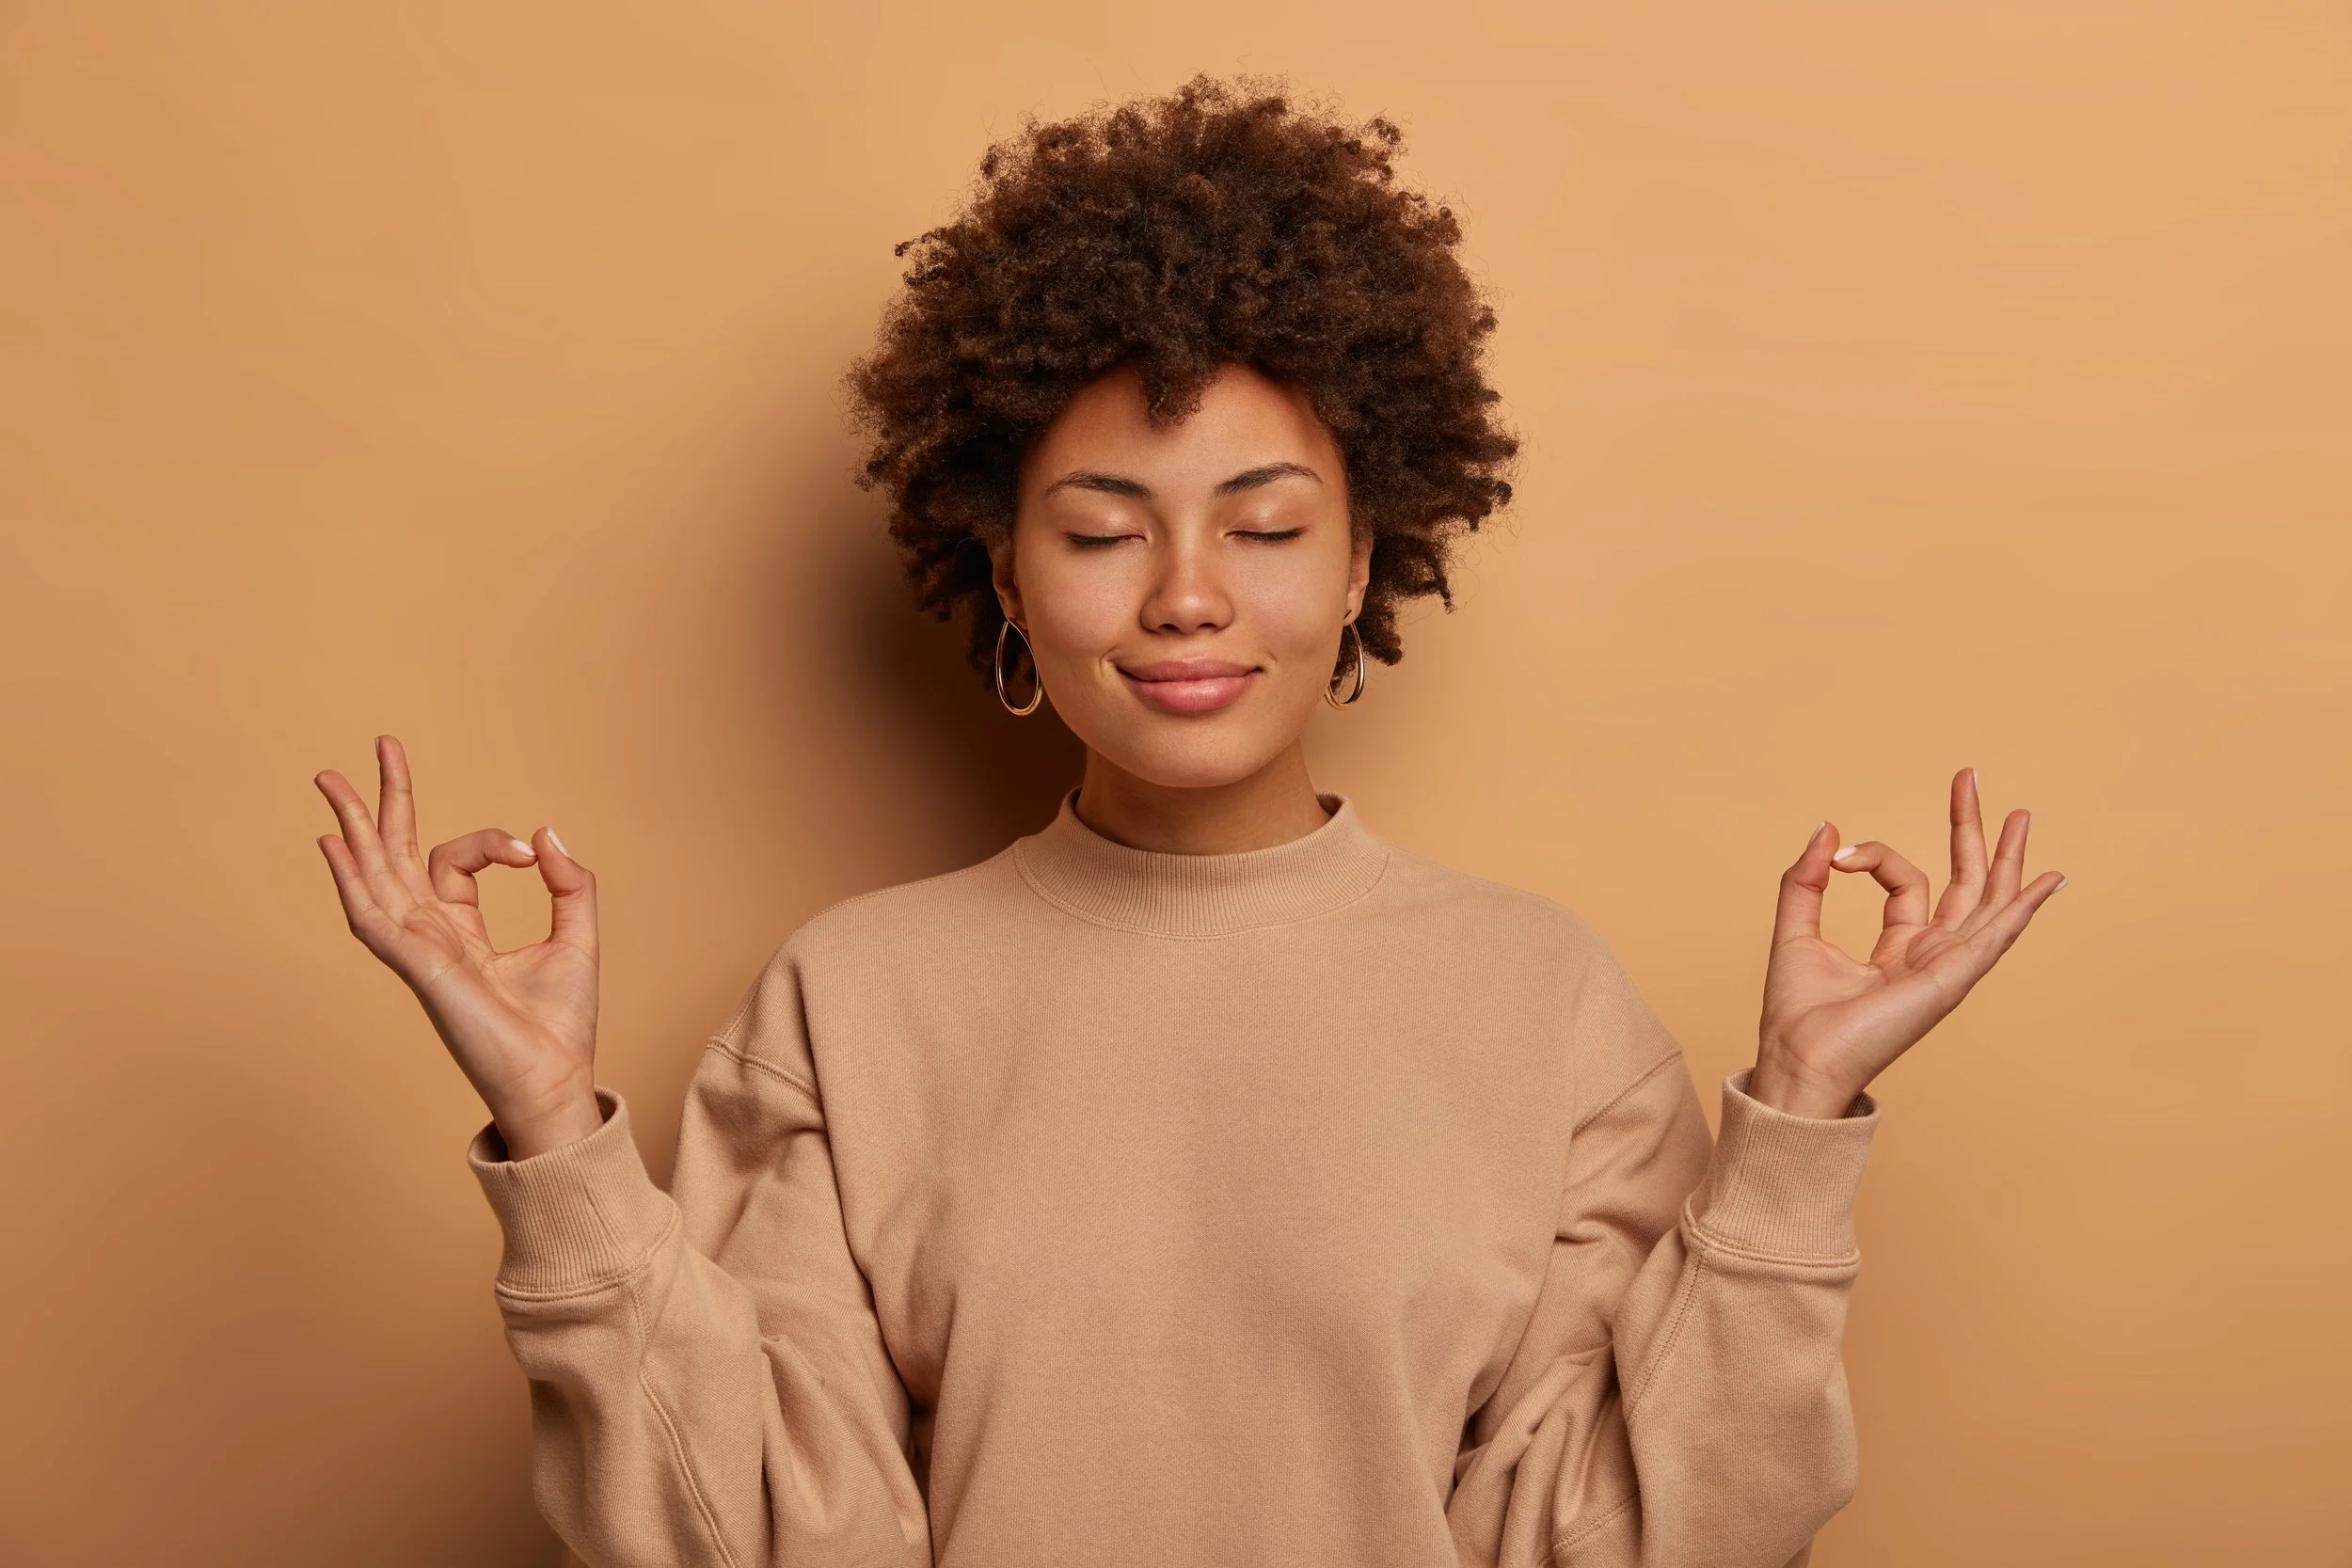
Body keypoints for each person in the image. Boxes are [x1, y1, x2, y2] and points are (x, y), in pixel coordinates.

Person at [311, 77, 2064, 1568]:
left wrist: (1799, 1121)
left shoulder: (1547, 1005)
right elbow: (753, 1532)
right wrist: (557, 1139)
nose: (1185, 597)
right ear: (1003, 570)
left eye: (1266, 524)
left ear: (1369, 554)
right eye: (1100, 531)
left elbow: (1634, 1533)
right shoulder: (847, 1001)